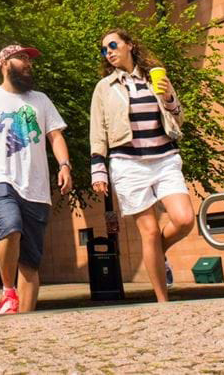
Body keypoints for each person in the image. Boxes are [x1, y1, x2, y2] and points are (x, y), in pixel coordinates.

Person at [0, 45, 72, 315]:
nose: (27, 63)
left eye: (29, 59)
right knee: (11, 225)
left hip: (37, 188)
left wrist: (64, 165)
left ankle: (23, 323)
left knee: (30, 264)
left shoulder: (41, 100)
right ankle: (8, 290)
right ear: (4, 63)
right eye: (21, 58)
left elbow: (55, 136)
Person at [89, 28, 194, 302]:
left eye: (113, 45)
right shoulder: (104, 88)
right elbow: (97, 131)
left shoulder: (153, 79)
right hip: (128, 163)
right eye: (104, 49)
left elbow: (178, 119)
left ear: (130, 45)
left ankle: (159, 251)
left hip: (164, 158)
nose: (109, 51)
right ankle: (163, 301)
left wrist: (170, 96)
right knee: (148, 232)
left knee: (184, 219)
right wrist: (97, 169)